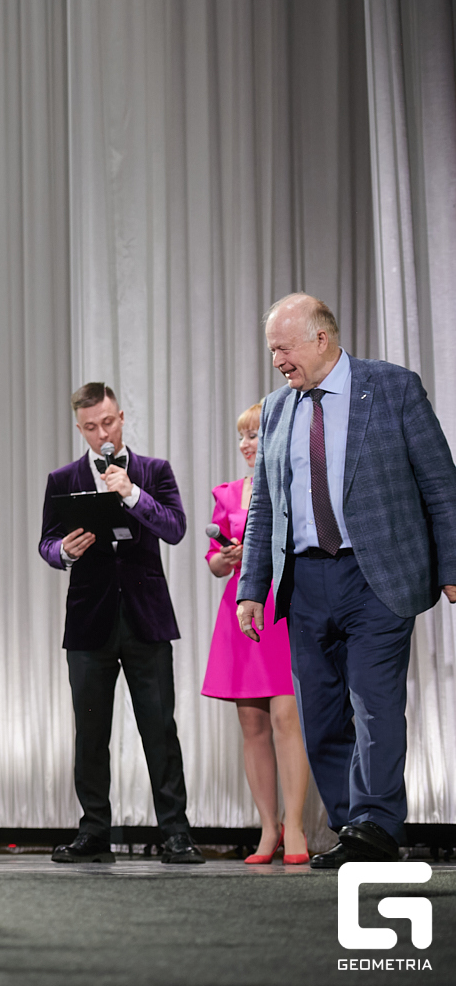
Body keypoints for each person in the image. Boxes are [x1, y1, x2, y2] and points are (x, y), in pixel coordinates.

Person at [238, 293, 456, 868]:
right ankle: (350, 827)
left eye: (284, 348)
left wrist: (453, 567)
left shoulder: (392, 387)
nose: (277, 361)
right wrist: (252, 588)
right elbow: (264, 506)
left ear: (322, 338)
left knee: (376, 705)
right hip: (304, 582)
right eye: (272, 351)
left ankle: (376, 825)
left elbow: (441, 485)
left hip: (376, 576)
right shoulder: (277, 409)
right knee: (321, 716)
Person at [39, 382, 203, 864]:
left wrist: (131, 493)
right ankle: (94, 832)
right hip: (89, 621)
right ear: (80, 428)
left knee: (159, 728)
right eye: (91, 427)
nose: (102, 434)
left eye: (108, 423)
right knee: (90, 733)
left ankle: (175, 832)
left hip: (145, 617)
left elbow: (175, 528)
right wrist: (64, 552)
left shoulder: (154, 471)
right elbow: (47, 542)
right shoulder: (63, 478)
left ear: (122, 418)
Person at [202, 402, 310, 865]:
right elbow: (213, 561)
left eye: (256, 435)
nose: (248, 445)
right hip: (240, 609)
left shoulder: (294, 484)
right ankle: (269, 828)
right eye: (243, 437)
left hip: (281, 606)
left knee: (288, 719)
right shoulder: (228, 494)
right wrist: (223, 559)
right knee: (252, 724)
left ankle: (296, 825)